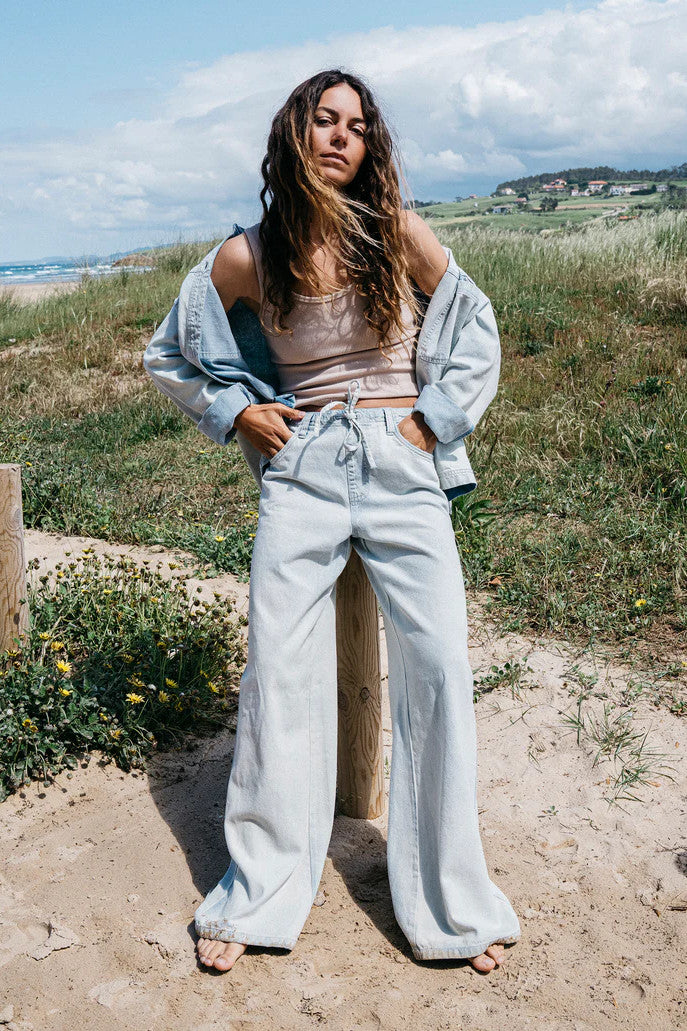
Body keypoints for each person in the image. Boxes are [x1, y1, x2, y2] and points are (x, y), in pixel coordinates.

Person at [149, 68, 521, 974]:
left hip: (400, 458)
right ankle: (259, 891)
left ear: (369, 145)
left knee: (435, 665)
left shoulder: (394, 230)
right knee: (278, 668)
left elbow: (473, 325)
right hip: (306, 466)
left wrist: (431, 421)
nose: (340, 136)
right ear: (296, 133)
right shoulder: (247, 253)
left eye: (356, 125)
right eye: (324, 119)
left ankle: (454, 907)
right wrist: (239, 412)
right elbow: (169, 350)